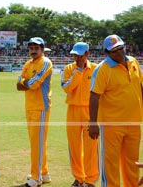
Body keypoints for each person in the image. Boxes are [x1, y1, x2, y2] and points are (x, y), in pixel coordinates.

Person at [89, 34, 143, 187]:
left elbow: (139, 86)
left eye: (121, 48)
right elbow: (94, 96)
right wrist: (93, 123)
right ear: (106, 53)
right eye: (115, 51)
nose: (120, 53)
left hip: (134, 122)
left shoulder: (133, 62)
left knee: (133, 164)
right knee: (110, 165)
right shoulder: (102, 70)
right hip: (112, 125)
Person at [61, 42, 99, 187]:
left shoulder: (96, 69)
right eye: (75, 55)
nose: (77, 57)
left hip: (91, 112)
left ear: (87, 54)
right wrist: (78, 72)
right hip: (73, 110)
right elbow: (66, 88)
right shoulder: (69, 69)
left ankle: (90, 180)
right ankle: (79, 177)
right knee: (74, 147)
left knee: (91, 147)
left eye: (80, 55)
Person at [16, 37, 53, 187]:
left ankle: (35, 177)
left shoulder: (45, 63)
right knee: (37, 142)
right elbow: (19, 83)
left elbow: (33, 84)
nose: (33, 50)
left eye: (36, 48)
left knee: (37, 144)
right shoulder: (28, 63)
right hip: (30, 106)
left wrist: (25, 82)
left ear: (42, 49)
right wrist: (25, 82)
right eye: (31, 47)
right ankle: (43, 173)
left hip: (40, 107)